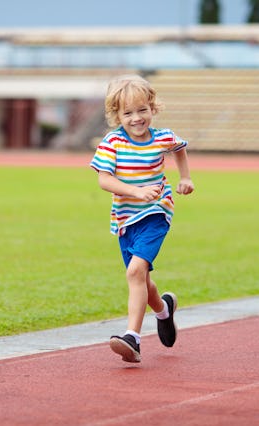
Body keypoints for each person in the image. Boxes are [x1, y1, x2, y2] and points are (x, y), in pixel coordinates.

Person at [90, 74, 195, 363]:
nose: (137, 118)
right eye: (128, 113)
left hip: (157, 212)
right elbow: (104, 180)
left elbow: (179, 148)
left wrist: (184, 178)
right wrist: (135, 192)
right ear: (116, 115)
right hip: (126, 219)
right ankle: (164, 310)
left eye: (142, 110)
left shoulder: (163, 137)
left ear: (152, 107)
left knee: (135, 272)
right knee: (142, 279)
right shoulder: (112, 143)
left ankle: (132, 338)